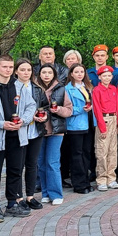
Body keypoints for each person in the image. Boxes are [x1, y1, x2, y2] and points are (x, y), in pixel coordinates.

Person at [0, 55, 35, 222]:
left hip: (17, 136)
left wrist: (23, 121)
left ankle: (12, 203)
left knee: (15, 171)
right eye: (4, 67)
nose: (8, 70)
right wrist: (1, 124)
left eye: (11, 67)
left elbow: (31, 106)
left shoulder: (19, 86)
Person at [14, 58, 49, 210]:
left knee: (32, 164)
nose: (26, 73)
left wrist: (45, 115)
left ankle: (30, 196)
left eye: (28, 70)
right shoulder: (11, 88)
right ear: (16, 71)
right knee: (18, 165)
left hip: (35, 131)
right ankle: (17, 197)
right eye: (22, 70)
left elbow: (45, 106)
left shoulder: (37, 88)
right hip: (19, 131)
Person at [36, 64, 71, 205]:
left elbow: (69, 110)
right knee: (41, 163)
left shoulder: (61, 88)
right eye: (43, 72)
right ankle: (45, 193)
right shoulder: (34, 88)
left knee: (52, 162)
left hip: (56, 130)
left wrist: (58, 110)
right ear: (39, 74)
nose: (46, 75)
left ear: (54, 74)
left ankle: (56, 193)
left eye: (49, 72)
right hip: (38, 130)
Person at [64, 63, 95, 194]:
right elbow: (67, 108)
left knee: (86, 153)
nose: (79, 74)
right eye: (76, 72)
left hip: (88, 123)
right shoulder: (67, 89)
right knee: (76, 155)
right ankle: (79, 184)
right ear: (71, 74)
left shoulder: (87, 86)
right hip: (75, 124)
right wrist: (80, 109)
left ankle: (86, 181)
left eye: (81, 71)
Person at [92, 65, 118, 190]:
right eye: (104, 75)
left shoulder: (113, 89)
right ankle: (101, 180)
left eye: (109, 75)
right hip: (104, 120)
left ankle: (111, 178)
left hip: (114, 118)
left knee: (112, 150)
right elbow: (97, 110)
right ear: (99, 77)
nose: (107, 77)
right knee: (102, 151)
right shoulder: (97, 90)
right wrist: (102, 128)